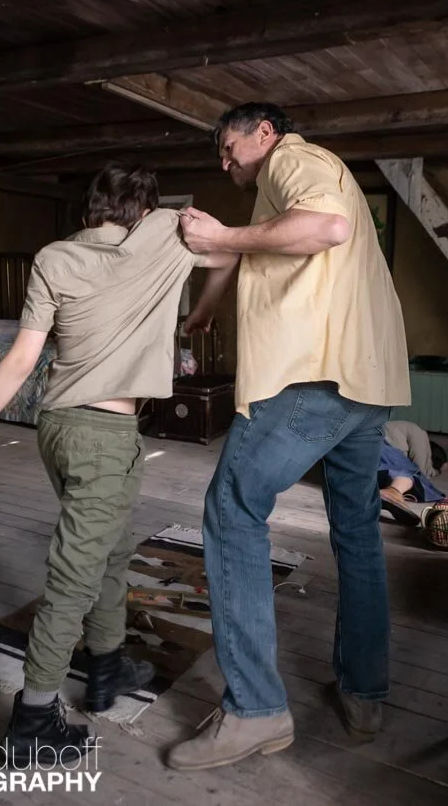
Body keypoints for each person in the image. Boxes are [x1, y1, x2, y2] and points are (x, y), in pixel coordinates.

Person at [0, 162, 238, 769]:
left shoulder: (54, 257)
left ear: (87, 209)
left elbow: (23, 357)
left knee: (113, 550)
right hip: (105, 437)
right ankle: (32, 720)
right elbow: (228, 254)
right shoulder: (167, 235)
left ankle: (106, 666)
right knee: (74, 576)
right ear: (145, 209)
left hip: (58, 427)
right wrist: (202, 311)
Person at [166, 103, 411, 771]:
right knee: (356, 528)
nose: (226, 162)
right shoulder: (287, 186)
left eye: (230, 147)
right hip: (367, 380)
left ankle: (255, 711)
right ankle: (363, 693)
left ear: (265, 133)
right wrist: (207, 305)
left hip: (314, 378)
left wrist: (221, 235)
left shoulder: (293, 159)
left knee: (232, 508)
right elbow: (257, 245)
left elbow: (325, 228)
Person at [378, 420, 448, 526]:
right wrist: (439, 470)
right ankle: (393, 491)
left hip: (362, 446)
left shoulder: (396, 428)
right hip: (377, 442)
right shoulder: (419, 433)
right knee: (414, 472)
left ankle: (381, 492)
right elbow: (421, 467)